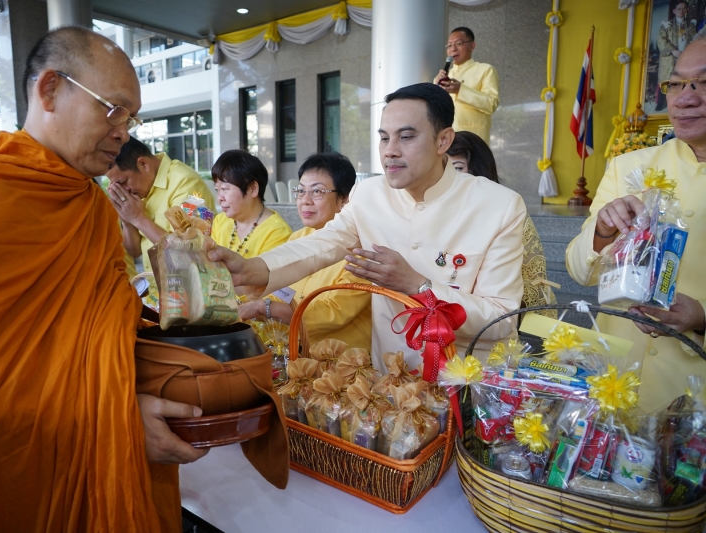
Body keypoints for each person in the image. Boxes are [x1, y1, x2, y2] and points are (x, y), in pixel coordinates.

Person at [0, 27, 207, 533]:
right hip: (23, 484)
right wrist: (112, 423)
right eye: (112, 109)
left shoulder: (89, 206)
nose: (123, 132)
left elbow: (102, 334)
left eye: (131, 118)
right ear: (49, 90)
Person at [209, 82, 526, 372]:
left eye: (406, 136)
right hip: (388, 379)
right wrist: (254, 268)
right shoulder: (370, 194)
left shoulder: (499, 206)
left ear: (443, 140)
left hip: (463, 380)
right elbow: (323, 244)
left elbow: (500, 318)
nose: (390, 150)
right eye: (384, 137)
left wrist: (419, 287)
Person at [566, 35, 706, 412]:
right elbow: (580, 271)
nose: (686, 97)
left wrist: (702, 317)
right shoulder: (630, 167)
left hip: (694, 397)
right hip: (616, 381)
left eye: (704, 83)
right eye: (676, 84)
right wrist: (602, 233)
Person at [239, 153, 372, 350]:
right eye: (300, 191)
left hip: (342, 365)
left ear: (344, 199)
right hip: (295, 354)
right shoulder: (298, 238)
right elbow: (280, 293)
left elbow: (334, 312)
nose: (305, 201)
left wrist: (266, 308)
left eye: (317, 191)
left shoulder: (361, 251)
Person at [446, 131, 557, 317]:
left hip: (488, 320)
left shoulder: (505, 213)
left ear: (478, 169)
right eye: (443, 168)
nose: (448, 176)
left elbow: (532, 281)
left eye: (457, 168)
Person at [106, 136, 215, 305]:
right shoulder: (141, 190)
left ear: (143, 164)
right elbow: (134, 251)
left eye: (124, 182)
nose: (124, 191)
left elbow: (187, 251)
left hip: (193, 296)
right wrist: (128, 220)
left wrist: (139, 218)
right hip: (157, 296)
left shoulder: (186, 183)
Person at [211, 149, 291, 257]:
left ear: (253, 189)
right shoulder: (220, 221)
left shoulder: (278, 233)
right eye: (217, 190)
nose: (220, 198)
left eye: (225, 189)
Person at [433, 27, 499, 144]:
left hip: (472, 141)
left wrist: (460, 90)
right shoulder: (443, 76)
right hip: (445, 142)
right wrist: (436, 87)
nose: (453, 49)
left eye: (459, 43)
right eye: (449, 45)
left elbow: (491, 103)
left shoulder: (485, 70)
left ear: (472, 46)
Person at [659, 2, 698, 110]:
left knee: (686, 79)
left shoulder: (691, 25)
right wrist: (673, 50)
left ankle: (685, 103)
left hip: (685, 57)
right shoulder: (667, 25)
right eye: (679, 9)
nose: (681, 11)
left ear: (687, 10)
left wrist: (688, 52)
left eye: (684, 9)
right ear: (674, 11)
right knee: (669, 80)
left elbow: (695, 39)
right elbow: (661, 41)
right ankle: (664, 104)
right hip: (671, 58)